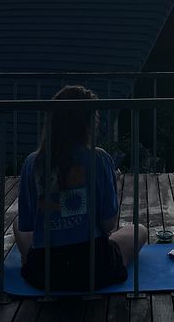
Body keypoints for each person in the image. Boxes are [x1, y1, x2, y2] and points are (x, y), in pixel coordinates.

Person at [13, 84, 147, 290]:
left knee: (17, 225)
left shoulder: (33, 162)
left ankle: (29, 260)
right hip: (93, 267)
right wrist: (113, 184)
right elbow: (108, 225)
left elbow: (28, 224)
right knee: (139, 230)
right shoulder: (99, 159)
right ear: (89, 124)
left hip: (46, 271)